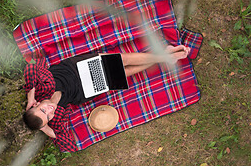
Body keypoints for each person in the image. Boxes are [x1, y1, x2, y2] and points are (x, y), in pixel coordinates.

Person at [22, 45, 190, 151]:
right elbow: (68, 144)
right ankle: (166, 57)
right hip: (88, 89)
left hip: (79, 69)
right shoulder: (57, 115)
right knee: (124, 74)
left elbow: (30, 70)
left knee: (123, 61)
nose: (49, 110)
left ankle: (165, 56)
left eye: (43, 109)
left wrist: (30, 96)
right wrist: (43, 127)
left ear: (35, 104)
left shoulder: (42, 88)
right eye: (47, 116)